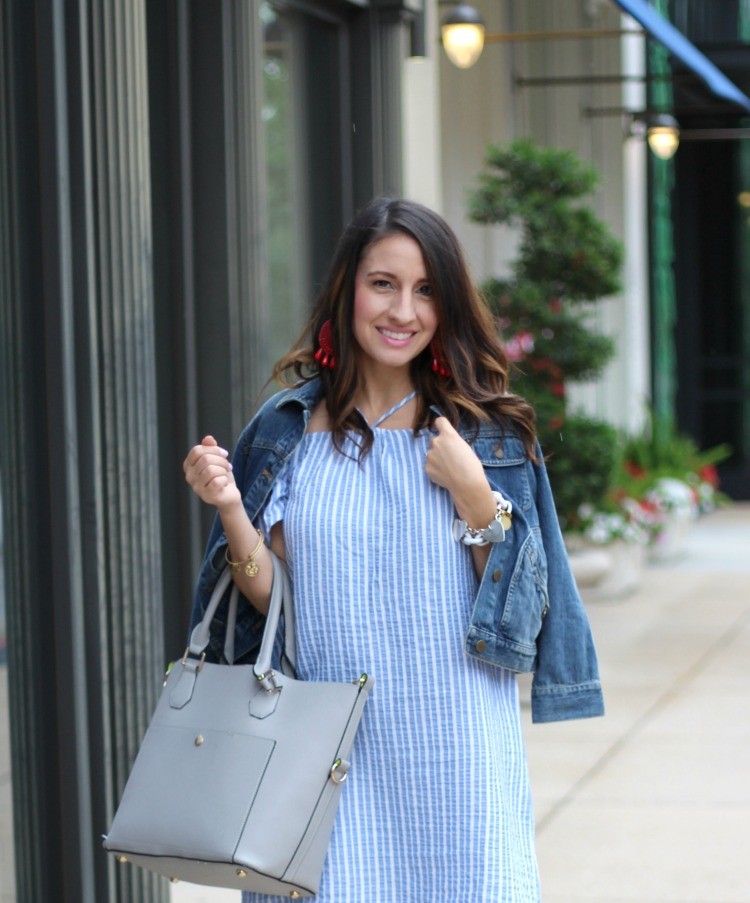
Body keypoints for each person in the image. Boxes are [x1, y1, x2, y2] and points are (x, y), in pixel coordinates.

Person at [183, 197, 604, 902]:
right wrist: (231, 508)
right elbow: (273, 596)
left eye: (425, 289)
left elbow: (525, 616)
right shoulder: (288, 429)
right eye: (383, 283)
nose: (402, 309)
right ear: (348, 288)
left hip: (458, 750)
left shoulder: (484, 435)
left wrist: (476, 497)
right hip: (324, 759)